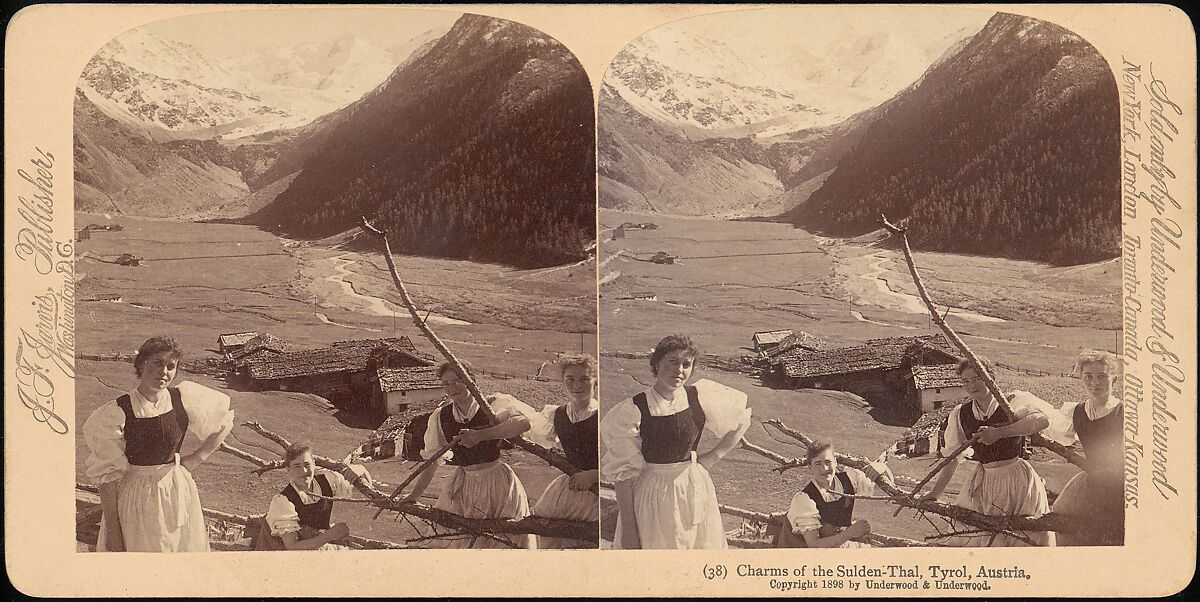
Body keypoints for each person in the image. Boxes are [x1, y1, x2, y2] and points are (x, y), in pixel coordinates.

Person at [83, 335, 235, 552]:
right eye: (157, 363)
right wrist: (114, 535)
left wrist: (195, 459)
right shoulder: (117, 411)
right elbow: (107, 479)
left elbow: (223, 422)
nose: (163, 371)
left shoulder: (182, 398)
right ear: (141, 364)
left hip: (177, 491)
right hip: (137, 498)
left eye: (170, 366)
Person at [600, 335, 752, 549]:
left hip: (695, 488)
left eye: (686, 364)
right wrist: (629, 529)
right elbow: (622, 475)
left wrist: (710, 458)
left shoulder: (699, 396)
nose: (679, 370)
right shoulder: (634, 409)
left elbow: (740, 421)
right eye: (672, 361)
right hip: (654, 493)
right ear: (657, 363)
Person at [919, 357, 1069, 547]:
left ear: (991, 377)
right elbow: (952, 458)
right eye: (966, 381)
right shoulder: (961, 413)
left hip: (1016, 481)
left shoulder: (1012, 402)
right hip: (983, 482)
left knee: (1020, 537)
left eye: (977, 378)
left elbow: (1041, 421)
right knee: (975, 535)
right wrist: (935, 492)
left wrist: (999, 433)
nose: (971, 385)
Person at [401, 361, 539, 549]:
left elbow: (523, 423)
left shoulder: (492, 404)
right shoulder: (442, 416)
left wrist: (481, 435)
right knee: (454, 539)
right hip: (463, 484)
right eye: (446, 383)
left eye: (458, 380)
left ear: (471, 380)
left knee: (500, 540)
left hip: (497, 484)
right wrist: (415, 495)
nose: (452, 388)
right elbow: (433, 461)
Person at [1051, 349, 1125, 546]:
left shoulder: (1124, 412)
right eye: (1088, 377)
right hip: (1091, 482)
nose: (1095, 383)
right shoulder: (1076, 411)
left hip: (1122, 486)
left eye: (1102, 376)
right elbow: (1057, 433)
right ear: (1081, 379)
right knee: (1076, 531)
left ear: (1114, 380)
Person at [527, 354, 601, 549]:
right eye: (570, 379)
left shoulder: (603, 416)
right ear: (563, 381)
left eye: (584, 379)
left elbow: (621, 460)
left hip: (597, 490)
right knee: (549, 529)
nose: (577, 385)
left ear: (595, 381)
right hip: (569, 486)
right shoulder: (557, 414)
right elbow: (535, 434)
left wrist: (594, 475)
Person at [776, 441, 894, 548]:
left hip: (835, 545)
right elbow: (814, 545)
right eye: (818, 464)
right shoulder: (805, 499)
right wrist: (851, 532)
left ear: (836, 462)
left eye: (828, 462)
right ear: (809, 467)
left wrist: (881, 468)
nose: (825, 468)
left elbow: (890, 488)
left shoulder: (849, 479)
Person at [260, 442, 373, 550]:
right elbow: (292, 546)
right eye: (297, 466)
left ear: (314, 463)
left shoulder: (327, 481)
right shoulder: (283, 501)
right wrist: (330, 535)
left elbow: (364, 487)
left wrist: (360, 470)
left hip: (317, 546)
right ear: (288, 469)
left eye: (307, 464)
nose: (304, 471)